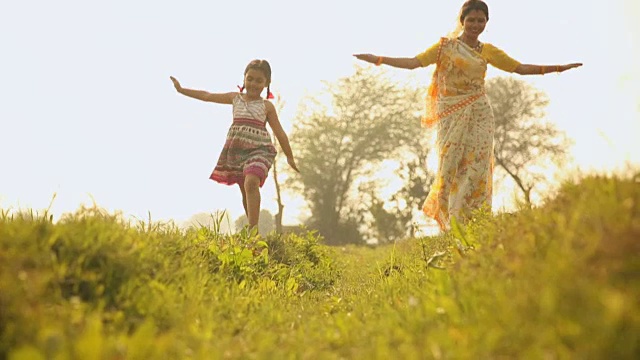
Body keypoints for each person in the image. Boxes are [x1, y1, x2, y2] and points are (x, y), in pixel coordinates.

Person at [354, 0, 582, 231]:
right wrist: (379, 60)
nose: (475, 24)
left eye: (480, 20)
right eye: (471, 20)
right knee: (451, 167)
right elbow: (414, 63)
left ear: (486, 22)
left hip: (480, 113)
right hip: (451, 114)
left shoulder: (489, 51)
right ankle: (455, 222)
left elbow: (520, 68)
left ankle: (476, 222)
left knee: (478, 168)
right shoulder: (445, 47)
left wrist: (558, 68)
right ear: (462, 21)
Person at [170, 59, 299, 230]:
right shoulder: (235, 98)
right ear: (244, 79)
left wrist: (289, 156)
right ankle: (253, 231)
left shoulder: (267, 106)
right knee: (245, 189)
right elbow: (207, 96)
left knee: (251, 182)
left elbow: (280, 133)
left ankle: (253, 233)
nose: (253, 84)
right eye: (250, 79)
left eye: (259, 81)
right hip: (237, 152)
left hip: (259, 151)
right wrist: (181, 90)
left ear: (266, 83)